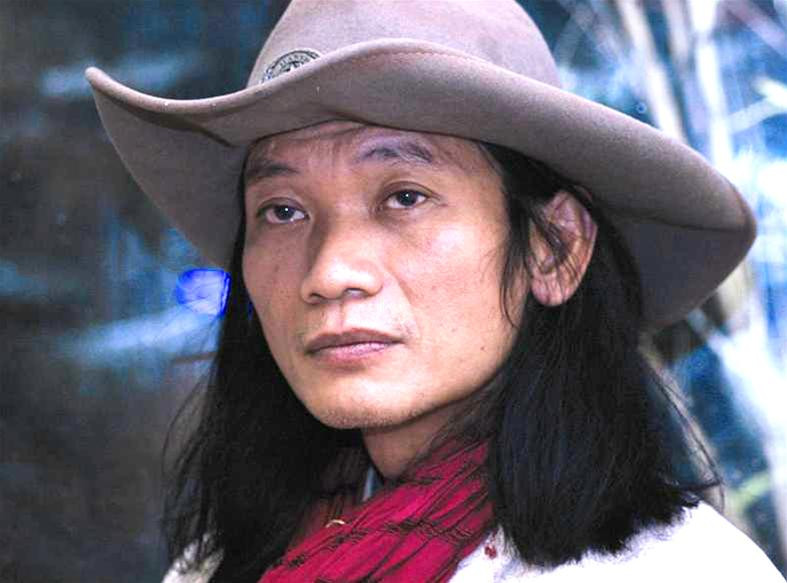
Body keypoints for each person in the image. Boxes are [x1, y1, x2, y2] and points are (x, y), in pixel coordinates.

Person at [86, 1, 786, 581]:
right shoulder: (216, 566)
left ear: (554, 247)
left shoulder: (672, 571)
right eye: (283, 211)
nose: (329, 273)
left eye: (405, 196)